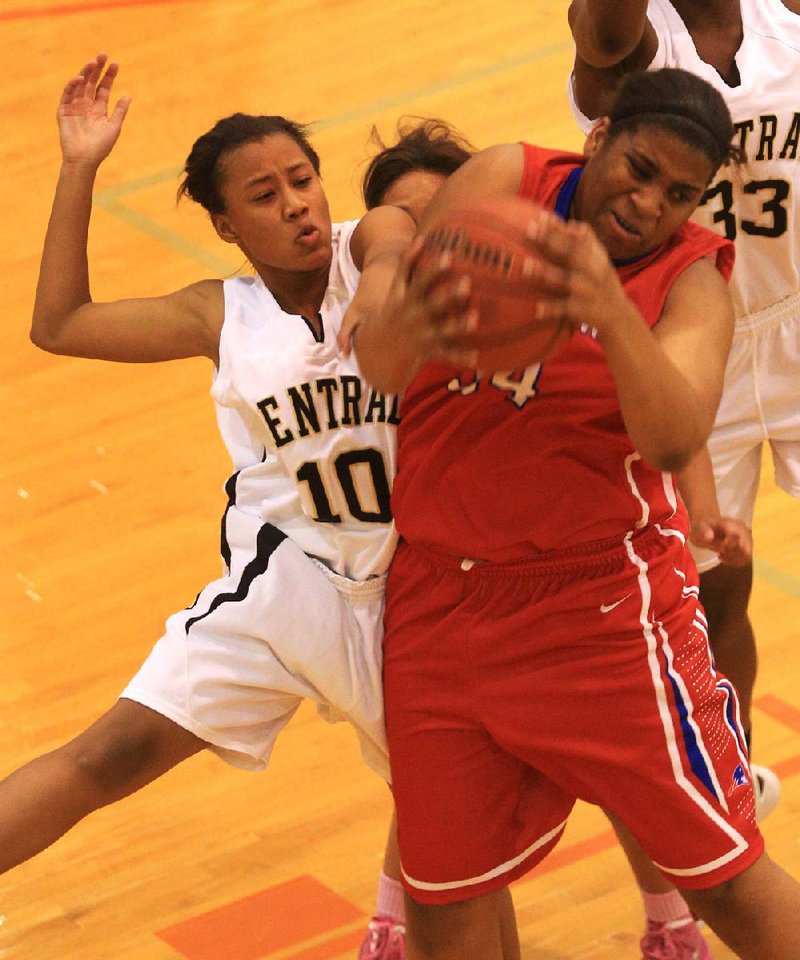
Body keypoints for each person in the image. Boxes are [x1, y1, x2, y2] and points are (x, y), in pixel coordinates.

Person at [353, 67, 800, 960]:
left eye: (679, 193)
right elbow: (385, 365)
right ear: (597, 139)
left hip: (601, 612)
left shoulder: (693, 278)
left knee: (723, 880)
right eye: (637, 170)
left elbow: (675, 440)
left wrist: (607, 313)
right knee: (446, 896)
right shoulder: (503, 184)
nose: (648, 205)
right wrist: (421, 301)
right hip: (439, 602)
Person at [8, 51, 419, 955]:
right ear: (228, 226)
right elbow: (59, 323)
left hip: (418, 594)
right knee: (105, 758)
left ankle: (397, 922)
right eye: (265, 196)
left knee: (454, 813)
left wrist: (384, 284)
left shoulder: (370, 242)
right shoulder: (217, 314)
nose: (298, 204)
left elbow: (390, 231)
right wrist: (79, 167)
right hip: (291, 586)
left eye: (302, 180)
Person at [568, 2, 800, 954]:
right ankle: (729, 776)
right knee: (714, 592)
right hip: (692, 330)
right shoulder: (632, 35)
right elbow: (599, 36)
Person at [357, 116, 473, 960]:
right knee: (437, 772)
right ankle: (392, 922)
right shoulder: (376, 327)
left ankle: (671, 921)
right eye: (405, 224)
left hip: (526, 579)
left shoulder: (529, 311)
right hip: (408, 584)